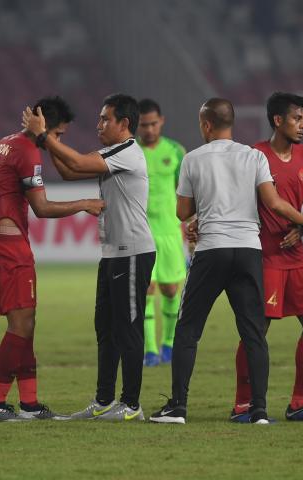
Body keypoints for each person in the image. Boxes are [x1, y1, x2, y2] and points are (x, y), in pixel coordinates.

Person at [148, 98, 303, 425]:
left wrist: (203, 208)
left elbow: (182, 212)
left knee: (188, 330)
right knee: (253, 333)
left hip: (212, 249)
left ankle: (177, 408)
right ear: (232, 122)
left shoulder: (193, 158)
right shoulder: (254, 156)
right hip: (248, 249)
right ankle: (258, 411)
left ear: (205, 124)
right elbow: (273, 202)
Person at [22, 93, 155, 422]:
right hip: (112, 254)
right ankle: (104, 402)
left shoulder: (128, 153)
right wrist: (50, 139)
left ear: (124, 124)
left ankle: (131, 405)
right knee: (106, 329)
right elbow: (69, 172)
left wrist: (43, 137)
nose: (98, 125)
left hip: (133, 252)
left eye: (105, 119)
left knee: (129, 329)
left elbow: (79, 163)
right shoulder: (112, 152)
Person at [0, 96, 104, 422]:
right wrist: (85, 202)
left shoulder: (4, 143)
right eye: (58, 135)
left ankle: (29, 404)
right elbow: (42, 208)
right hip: (10, 246)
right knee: (20, 326)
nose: (57, 143)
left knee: (26, 325)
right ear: (44, 126)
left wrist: (0, 217)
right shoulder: (29, 152)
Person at [230, 93, 303, 422]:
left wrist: (302, 230)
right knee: (256, 329)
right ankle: (243, 405)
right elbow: (238, 201)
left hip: (296, 256)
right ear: (278, 120)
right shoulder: (255, 156)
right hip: (266, 257)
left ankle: (299, 403)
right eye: (296, 119)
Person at [136, 99, 187, 367]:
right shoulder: (131, 152)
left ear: (161, 121)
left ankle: (168, 344)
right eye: (144, 125)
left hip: (169, 231)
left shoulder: (176, 151)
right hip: (142, 233)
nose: (149, 129)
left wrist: (189, 223)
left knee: (169, 290)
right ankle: (151, 351)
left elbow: (186, 191)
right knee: (146, 290)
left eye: (153, 124)